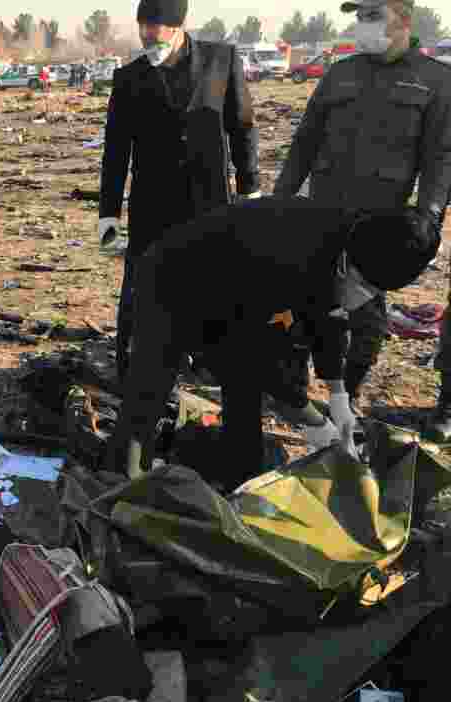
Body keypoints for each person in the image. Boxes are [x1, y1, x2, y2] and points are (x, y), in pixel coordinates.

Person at [108, 197, 440, 492]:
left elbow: (329, 317)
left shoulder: (360, 242)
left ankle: (237, 473)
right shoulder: (295, 253)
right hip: (175, 279)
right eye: (361, 282)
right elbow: (271, 360)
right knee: (152, 384)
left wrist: (338, 394)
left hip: (238, 293)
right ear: (349, 261)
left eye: (373, 289)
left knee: (243, 388)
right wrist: (317, 424)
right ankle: (122, 478)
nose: (364, 293)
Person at [273, 0, 451, 433]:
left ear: (403, 20)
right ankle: (293, 396)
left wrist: (427, 222)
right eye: (360, 17)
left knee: (366, 324)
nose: (362, 25)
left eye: (374, 16)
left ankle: (346, 396)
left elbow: (439, 159)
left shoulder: (435, 81)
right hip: (320, 216)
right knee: (298, 308)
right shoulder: (341, 74)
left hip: (376, 227)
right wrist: (280, 200)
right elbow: (305, 141)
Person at [98, 0, 261, 384]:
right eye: (142, 29)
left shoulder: (221, 61)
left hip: (210, 202)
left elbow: (242, 127)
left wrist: (249, 189)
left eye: (154, 31)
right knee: (141, 288)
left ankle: (209, 361)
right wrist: (109, 215)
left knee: (213, 286)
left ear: (178, 26)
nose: (146, 37)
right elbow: (116, 152)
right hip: (152, 206)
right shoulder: (129, 78)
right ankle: (133, 367)